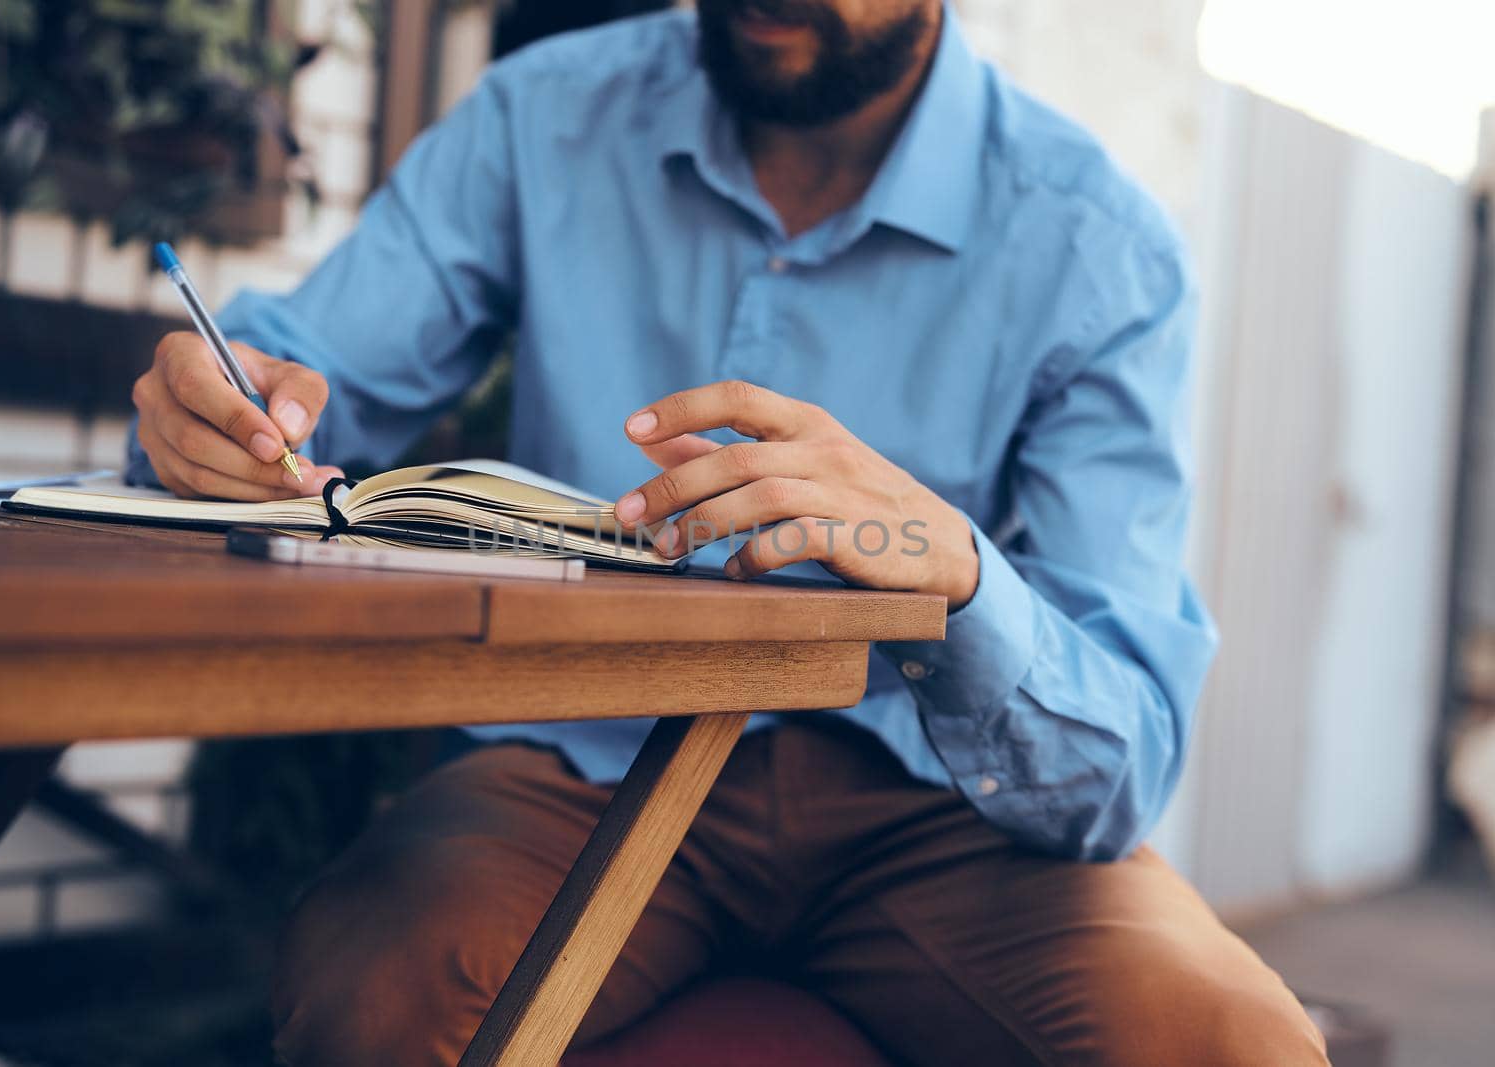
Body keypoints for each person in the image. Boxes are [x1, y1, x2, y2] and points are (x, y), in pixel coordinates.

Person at [128, 0, 1330, 1063]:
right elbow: (299, 370)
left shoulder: (1097, 244)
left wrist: (957, 571)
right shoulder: (542, 114)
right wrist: (213, 418)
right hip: (576, 761)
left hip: (934, 802)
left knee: (1234, 1044)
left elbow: (1118, 759)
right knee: (380, 991)